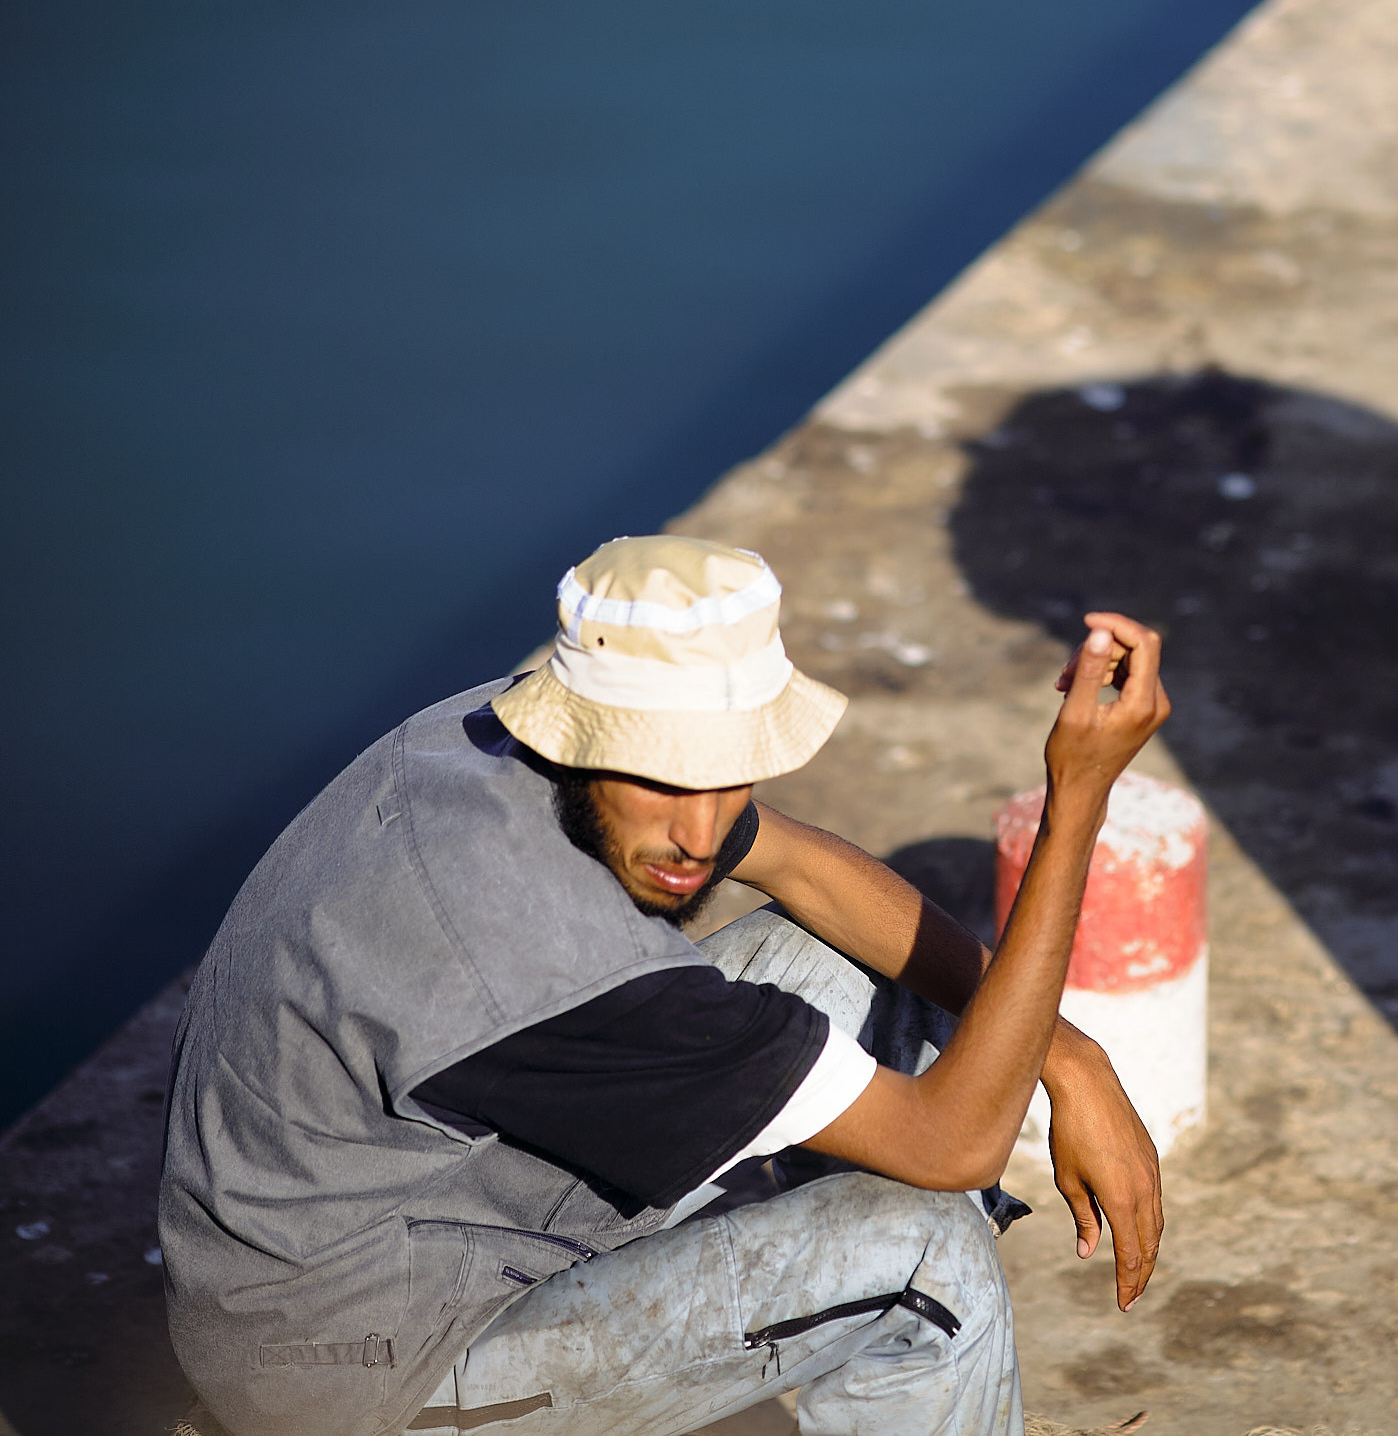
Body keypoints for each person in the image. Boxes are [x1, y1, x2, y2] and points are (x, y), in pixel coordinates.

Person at [159, 535, 1171, 1436]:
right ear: (584, 736)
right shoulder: (555, 960)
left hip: (427, 1199)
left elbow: (805, 869)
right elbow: (957, 1147)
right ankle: (905, 1339)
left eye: (727, 770)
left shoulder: (496, 736)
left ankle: (873, 1365)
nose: (700, 831)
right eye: (664, 778)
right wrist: (1077, 796)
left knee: (861, 971)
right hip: (357, 1369)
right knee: (925, 1256)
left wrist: (1070, 1056)